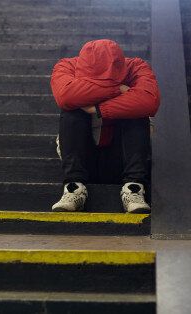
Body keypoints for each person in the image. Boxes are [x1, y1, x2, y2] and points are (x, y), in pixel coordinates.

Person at [50, 39, 160, 213]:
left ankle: (134, 188)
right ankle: (74, 188)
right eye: (96, 79)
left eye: (107, 78)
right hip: (84, 159)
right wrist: (118, 89)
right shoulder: (66, 66)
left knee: (136, 111)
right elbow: (65, 97)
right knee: (70, 111)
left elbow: (149, 102)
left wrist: (98, 108)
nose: (102, 81)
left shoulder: (136, 66)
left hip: (123, 160)